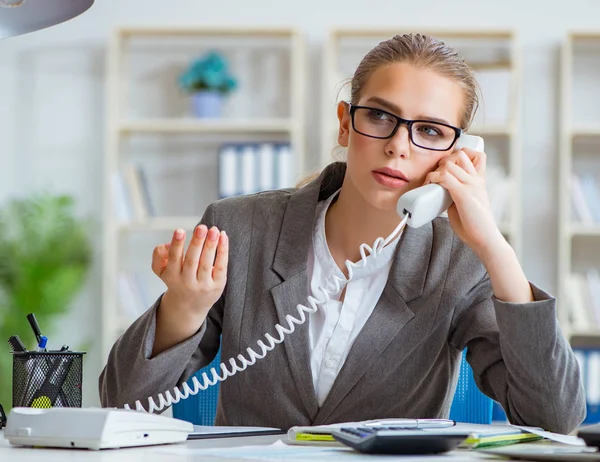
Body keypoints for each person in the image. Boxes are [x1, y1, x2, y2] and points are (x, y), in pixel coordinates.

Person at [99, 33, 585, 434]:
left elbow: (554, 418)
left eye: (431, 131)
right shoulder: (241, 228)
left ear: (460, 155)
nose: (398, 146)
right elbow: (123, 406)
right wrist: (183, 309)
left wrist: (494, 248)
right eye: (379, 116)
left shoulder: (462, 262)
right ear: (346, 125)